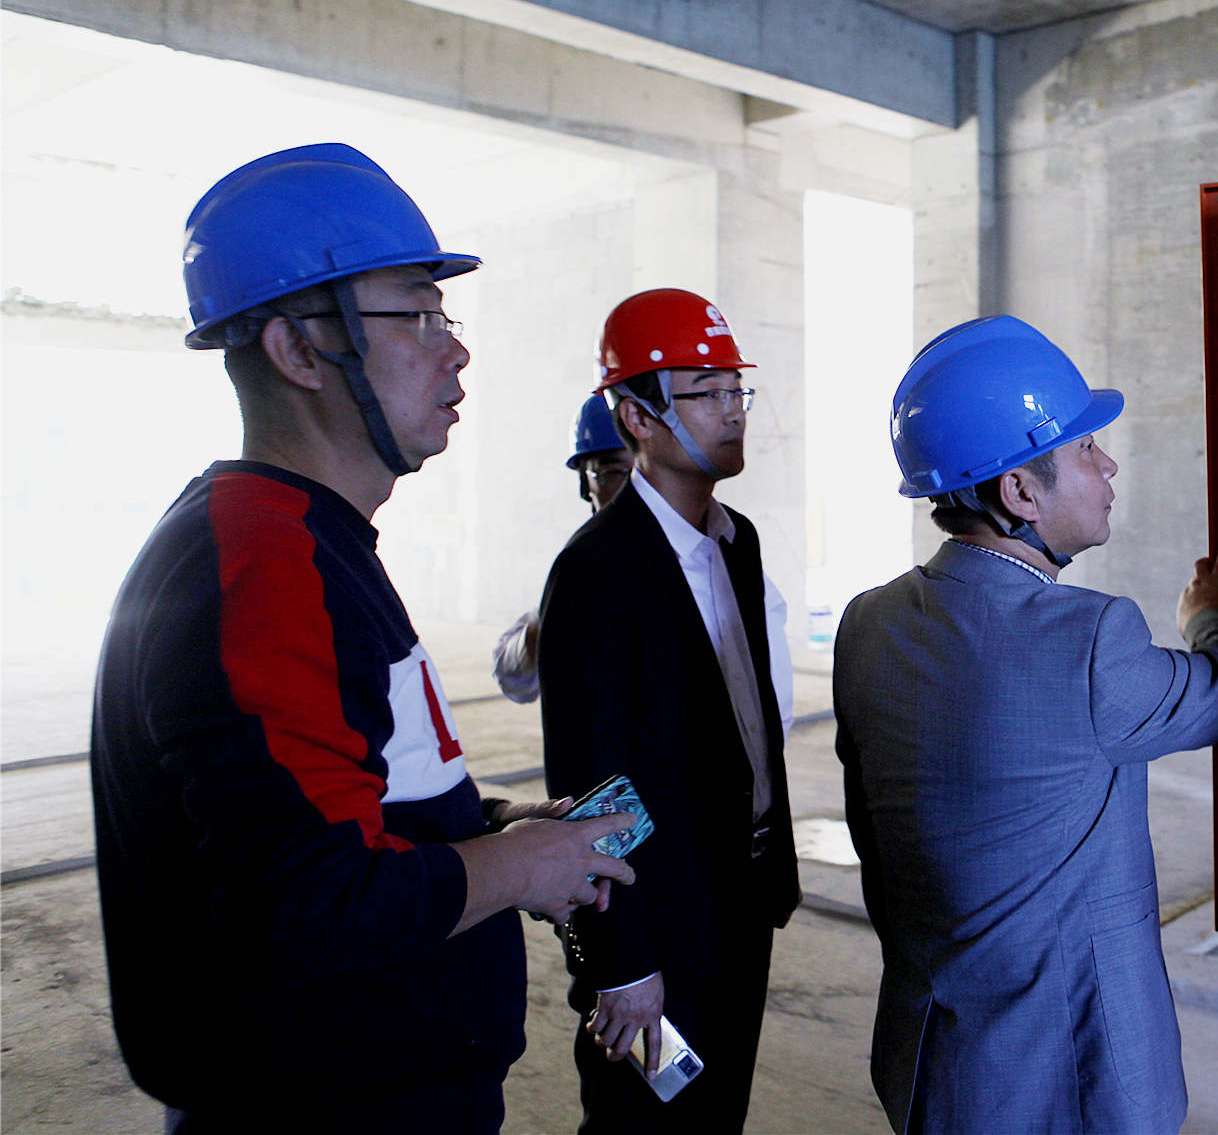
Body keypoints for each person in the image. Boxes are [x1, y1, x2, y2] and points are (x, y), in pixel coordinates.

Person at [90, 144, 638, 1134]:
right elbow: (312, 901)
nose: (454, 351)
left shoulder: (308, 540)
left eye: (445, 317)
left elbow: (343, 802)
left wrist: (499, 827)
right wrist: (521, 867)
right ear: (301, 350)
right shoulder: (264, 562)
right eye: (417, 315)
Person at [833, 315, 1218, 1134]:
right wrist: (1210, 617)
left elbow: (876, 839)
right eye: (1085, 448)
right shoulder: (1090, 639)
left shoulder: (868, 623)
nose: (1108, 466)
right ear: (1020, 492)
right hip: (1071, 1084)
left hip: (934, 1067)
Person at [536, 287, 801, 1131]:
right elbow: (591, 783)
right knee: (644, 1124)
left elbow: (745, 722)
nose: (733, 409)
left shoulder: (736, 540)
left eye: (736, 387)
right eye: (706, 391)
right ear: (637, 418)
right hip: (657, 918)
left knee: (717, 1116)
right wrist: (620, 963)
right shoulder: (598, 570)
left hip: (739, 896)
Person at [490, 395, 635, 703]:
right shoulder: (581, 569)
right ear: (585, 486)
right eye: (615, 473)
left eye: (646, 473)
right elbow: (514, 679)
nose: (635, 489)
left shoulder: (714, 552)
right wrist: (546, 626)